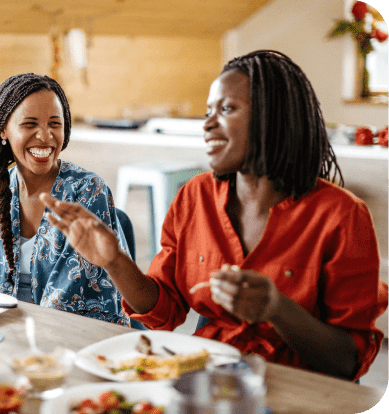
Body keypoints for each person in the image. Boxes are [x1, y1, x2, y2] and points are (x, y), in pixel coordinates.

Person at [40, 50, 388, 380]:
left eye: (227, 108)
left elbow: (347, 362)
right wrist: (114, 260)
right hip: (208, 383)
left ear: (274, 118)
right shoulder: (195, 197)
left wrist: (276, 308)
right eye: (208, 111)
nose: (208, 124)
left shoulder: (342, 215)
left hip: (304, 390)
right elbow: (163, 312)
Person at [0, 73, 131, 326]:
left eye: (54, 124)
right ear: (3, 130)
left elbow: (69, 300)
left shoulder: (87, 191)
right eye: (29, 124)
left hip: (79, 335)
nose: (45, 136)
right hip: (6, 332)